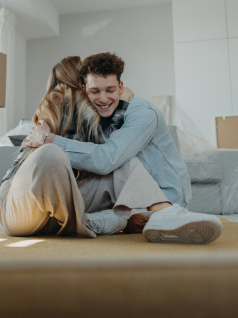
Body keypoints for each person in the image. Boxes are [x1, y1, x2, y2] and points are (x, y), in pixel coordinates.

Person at [22, 53, 223, 244]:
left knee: (119, 160)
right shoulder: (98, 114)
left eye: (110, 90)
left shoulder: (143, 113)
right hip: (126, 196)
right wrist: (44, 124)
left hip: (163, 196)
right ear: (85, 90)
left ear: (120, 87)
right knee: (116, 216)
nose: (102, 98)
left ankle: (165, 216)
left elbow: (105, 159)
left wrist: (50, 139)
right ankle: (105, 220)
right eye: (95, 91)